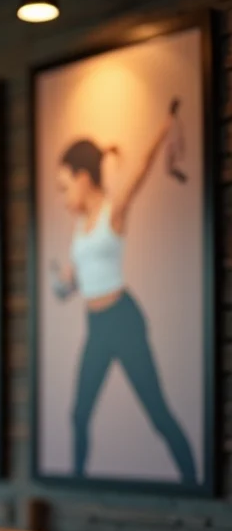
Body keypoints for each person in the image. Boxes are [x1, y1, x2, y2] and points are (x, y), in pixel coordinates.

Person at [50, 97, 196, 484]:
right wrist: (62, 284)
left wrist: (165, 126)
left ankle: (194, 481)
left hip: (124, 321)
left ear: (83, 178)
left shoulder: (112, 211)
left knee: (158, 414)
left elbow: (143, 166)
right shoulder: (79, 228)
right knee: (79, 414)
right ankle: (78, 484)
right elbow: (74, 281)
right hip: (96, 326)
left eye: (64, 187)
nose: (63, 198)